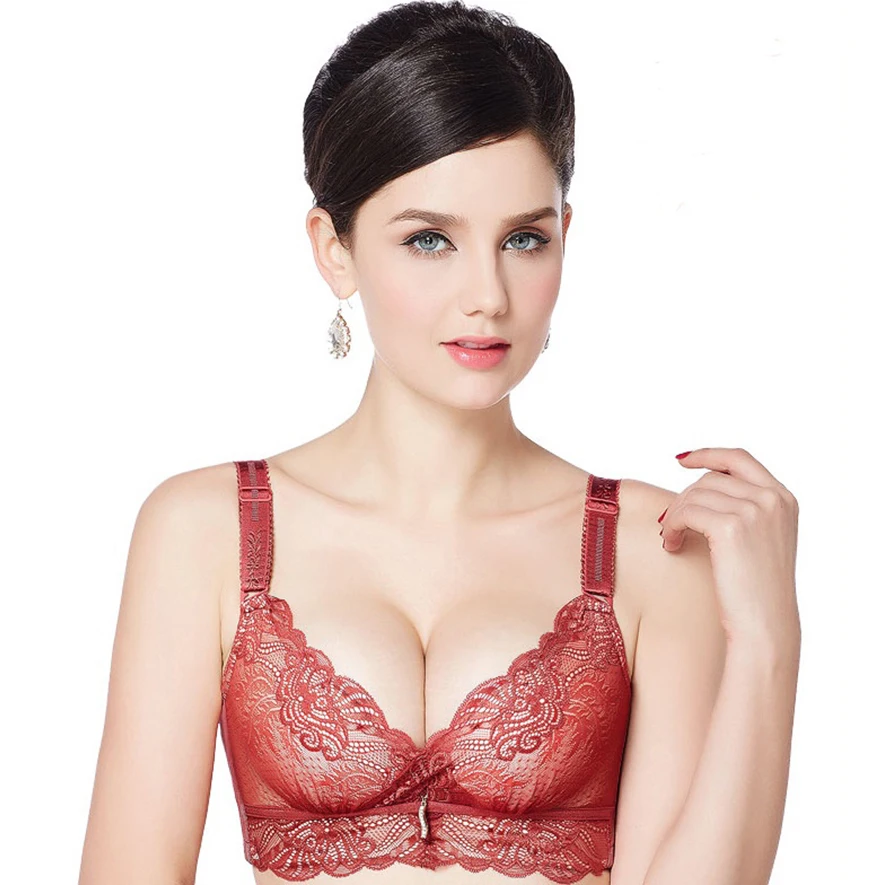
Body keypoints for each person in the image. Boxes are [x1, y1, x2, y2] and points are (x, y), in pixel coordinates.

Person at [78, 2, 801, 883]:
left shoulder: (655, 546)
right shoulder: (204, 532)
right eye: (429, 240)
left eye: (523, 239)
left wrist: (767, 639)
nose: (486, 294)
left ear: (564, 239)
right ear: (333, 249)